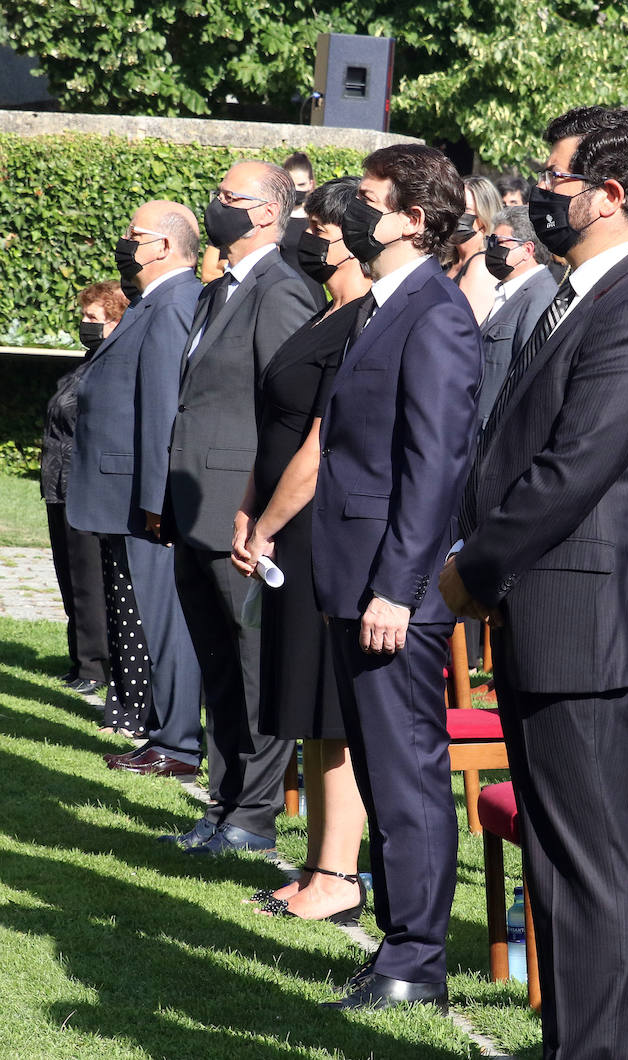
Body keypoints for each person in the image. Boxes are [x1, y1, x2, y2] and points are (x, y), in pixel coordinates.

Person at [440, 105, 628, 1056]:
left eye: (556, 179)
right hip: (547, 614)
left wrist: (473, 570)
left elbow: (572, 469)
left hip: (585, 624)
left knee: (588, 869)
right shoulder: (582, 288)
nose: (538, 192)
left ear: (611, 195)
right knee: (556, 861)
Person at [313, 144, 481, 1010]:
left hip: (394, 590)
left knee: (408, 775)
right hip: (357, 576)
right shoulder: (389, 305)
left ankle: (417, 960)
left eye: (372, 199)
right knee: (383, 772)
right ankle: (397, 942)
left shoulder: (436, 313)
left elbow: (436, 462)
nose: (354, 209)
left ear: (414, 218)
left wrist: (398, 586)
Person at [160, 160, 316, 853]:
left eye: (229, 197)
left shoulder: (281, 290)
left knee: (254, 667)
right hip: (197, 504)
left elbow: (286, 412)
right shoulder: (218, 290)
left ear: (266, 213)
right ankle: (223, 802)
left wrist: (263, 513)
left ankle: (254, 814)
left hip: (241, 510)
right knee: (217, 665)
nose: (215, 205)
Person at [229, 176, 371, 923]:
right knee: (307, 713)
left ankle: (339, 878)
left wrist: (269, 524)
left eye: (319, 227)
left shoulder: (364, 321)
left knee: (331, 711)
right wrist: (249, 508)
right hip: (284, 524)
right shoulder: (326, 312)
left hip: (316, 530)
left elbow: (319, 445)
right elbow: (273, 423)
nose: (307, 237)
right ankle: (320, 865)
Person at [70, 206, 202, 772]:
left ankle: (178, 743)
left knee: (162, 618)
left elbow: (162, 410)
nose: (125, 243)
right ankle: (159, 731)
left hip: (143, 497)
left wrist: (156, 501)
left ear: (166, 246)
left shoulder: (173, 303)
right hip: (124, 493)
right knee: (146, 615)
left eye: (135, 236)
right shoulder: (152, 301)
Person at [42, 282, 122, 696]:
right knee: (68, 577)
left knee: (90, 580)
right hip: (59, 485)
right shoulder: (84, 364)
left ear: (115, 321)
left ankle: (95, 667)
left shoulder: (111, 368)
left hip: (84, 486)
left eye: (94, 318)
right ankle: (80, 660)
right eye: (85, 316)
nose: (85, 324)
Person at [478, 204, 558, 426]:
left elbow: (526, 377)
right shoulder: (510, 291)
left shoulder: (540, 297)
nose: (491, 249)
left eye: (499, 243)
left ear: (527, 250)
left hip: (493, 432)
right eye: (490, 242)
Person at [450, 175, 503, 323]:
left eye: (465, 209)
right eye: (454, 206)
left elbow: (465, 328)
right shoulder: (450, 261)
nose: (456, 214)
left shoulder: (481, 266)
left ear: (484, 216)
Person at [281, 151, 327, 309]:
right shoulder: (277, 219)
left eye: (301, 185)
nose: (295, 190)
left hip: (314, 294)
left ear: (311, 184)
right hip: (284, 293)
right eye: (290, 184)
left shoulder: (320, 219)